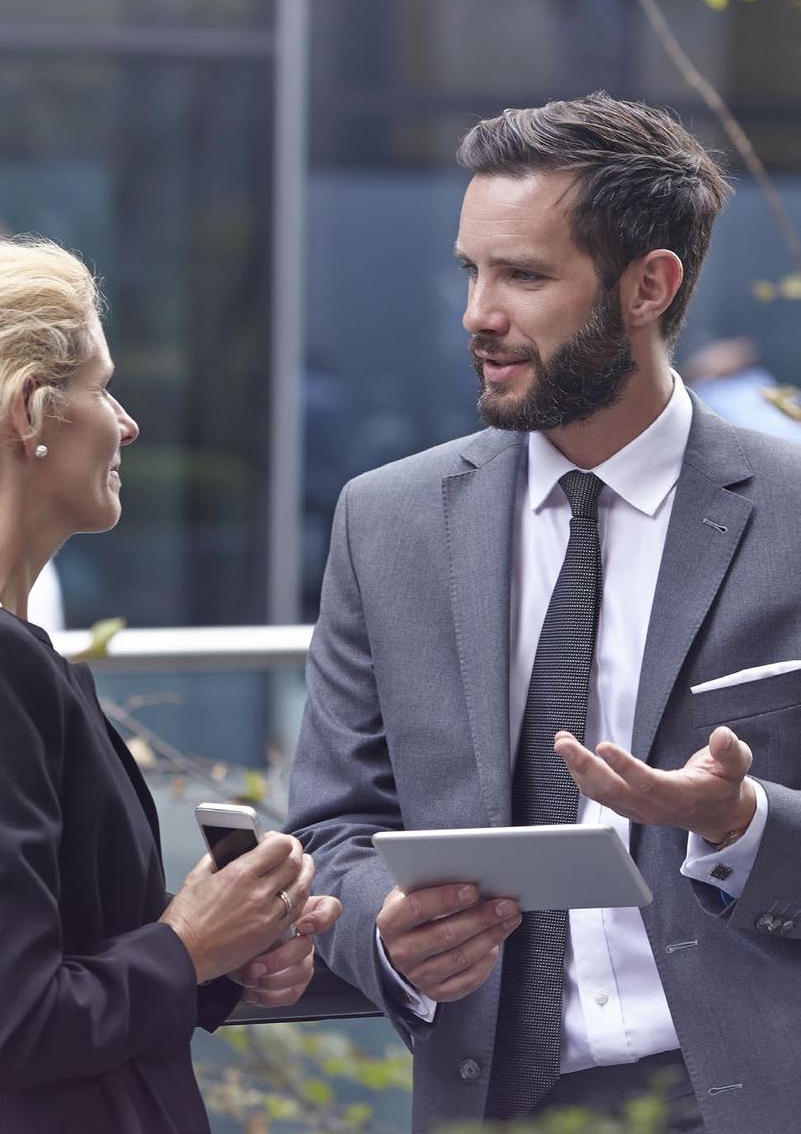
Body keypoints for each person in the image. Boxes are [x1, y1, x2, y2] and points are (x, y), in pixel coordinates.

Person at [287, 92, 801, 1134]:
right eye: (471, 269)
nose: (476, 311)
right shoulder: (384, 523)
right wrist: (386, 942)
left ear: (649, 285)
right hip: (490, 1103)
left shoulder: (791, 512)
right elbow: (332, 825)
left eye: (521, 274)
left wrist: (737, 824)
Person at [0, 238, 340, 1134]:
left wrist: (217, 945)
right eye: (100, 386)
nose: (124, 423)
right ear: (29, 410)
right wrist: (186, 943)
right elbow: (6, 1025)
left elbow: (7, 961)